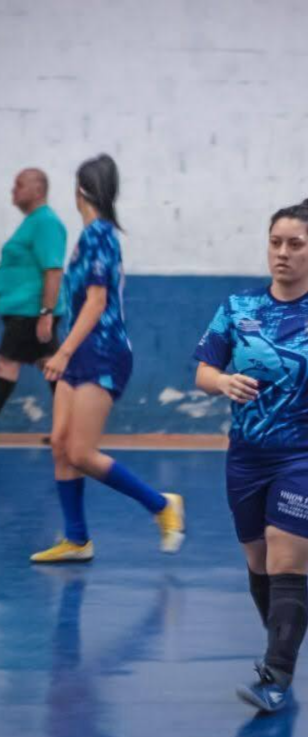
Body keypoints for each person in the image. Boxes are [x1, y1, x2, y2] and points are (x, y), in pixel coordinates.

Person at [194, 198, 308, 712]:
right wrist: (223, 381)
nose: (283, 253)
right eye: (275, 242)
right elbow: (203, 371)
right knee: (258, 561)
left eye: (295, 244)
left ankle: (276, 675)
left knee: (284, 556)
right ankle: (281, 639)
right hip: (248, 456)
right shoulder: (238, 309)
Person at [30, 154, 184, 563]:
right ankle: (77, 540)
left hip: (102, 352)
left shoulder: (100, 234)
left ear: (81, 190)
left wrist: (61, 351)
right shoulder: (88, 239)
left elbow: (97, 302)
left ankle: (162, 506)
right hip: (79, 351)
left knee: (80, 452)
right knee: (61, 445)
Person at [0, 168, 66, 418]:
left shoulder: (46, 222)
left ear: (37, 190)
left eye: (19, 185)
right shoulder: (34, 222)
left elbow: (53, 270)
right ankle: (70, 427)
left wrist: (45, 313)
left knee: (5, 365)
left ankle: (71, 426)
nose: (12, 190)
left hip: (29, 313)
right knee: (51, 366)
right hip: (26, 311)